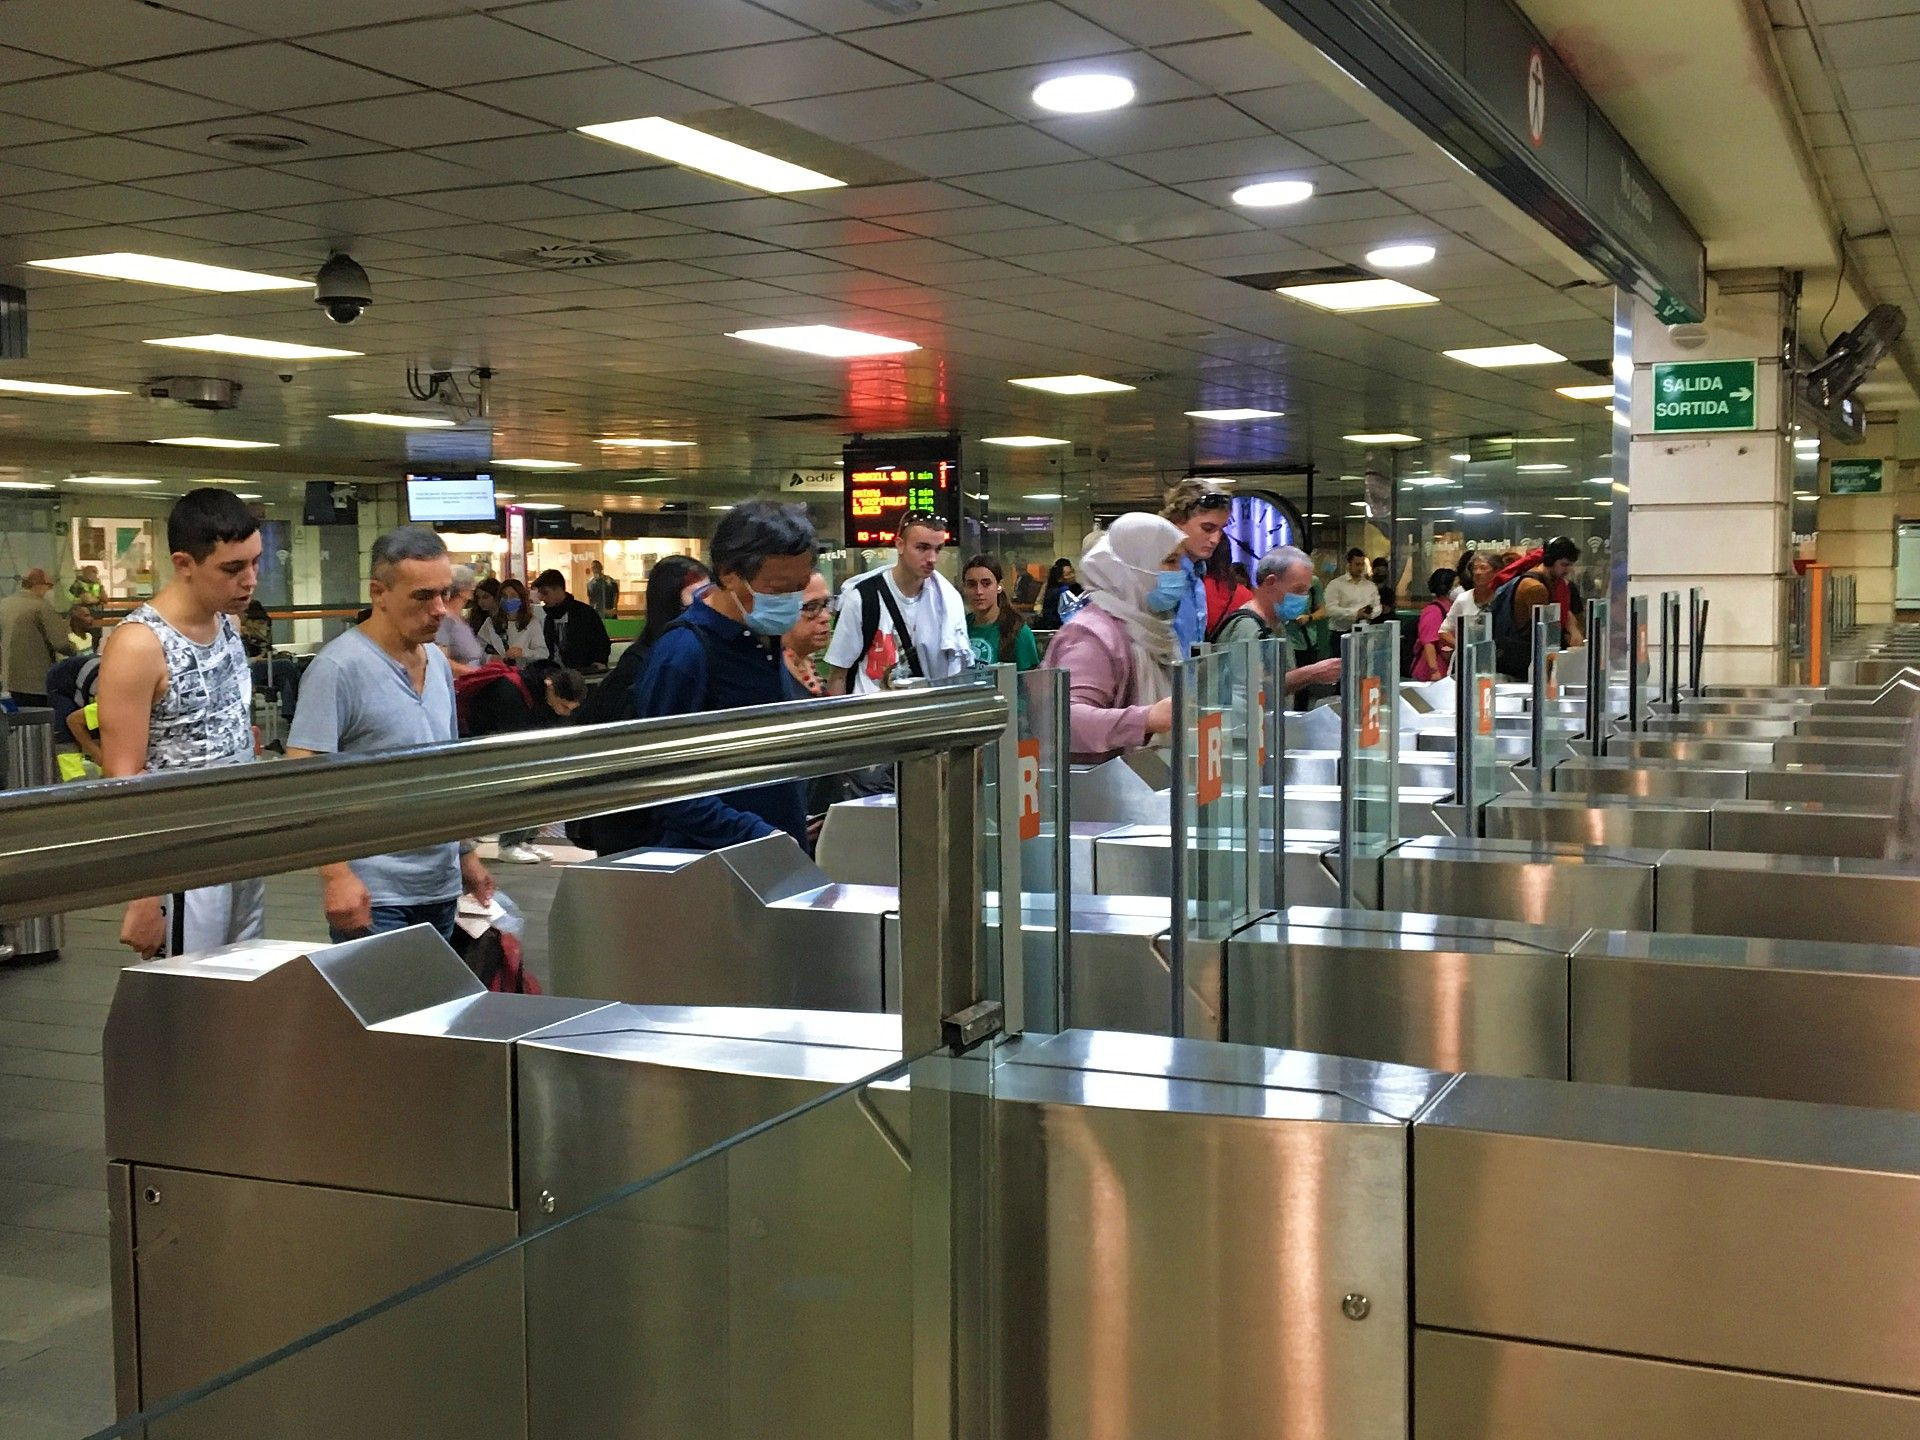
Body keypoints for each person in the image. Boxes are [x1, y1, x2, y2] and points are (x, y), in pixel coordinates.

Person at [286, 527, 494, 942]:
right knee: (386, 1007)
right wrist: (335, 873)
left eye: (443, 593)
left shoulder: (436, 663)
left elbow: (444, 771)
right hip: (376, 894)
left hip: (440, 885)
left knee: (442, 1007)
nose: (439, 609)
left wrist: (465, 852)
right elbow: (302, 780)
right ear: (378, 592)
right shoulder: (339, 669)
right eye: (422, 596)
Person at [95, 489, 263, 959]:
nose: (250, 580)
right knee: (190, 999)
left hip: (240, 838)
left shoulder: (226, 621)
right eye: (232, 569)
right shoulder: (139, 645)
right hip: (184, 850)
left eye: (255, 563)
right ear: (184, 563)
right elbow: (122, 778)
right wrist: (145, 894)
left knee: (242, 988)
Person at [633, 500, 816, 850]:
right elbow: (665, 784)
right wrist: (757, 834)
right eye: (778, 589)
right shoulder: (684, 653)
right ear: (730, 573)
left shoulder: (763, 638)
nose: (791, 600)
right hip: (712, 869)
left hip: (773, 855)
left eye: (800, 586)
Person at [1047, 513, 1186, 764]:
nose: (1179, 573)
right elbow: (1063, 719)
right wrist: (1146, 720)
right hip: (1098, 792)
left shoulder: (1153, 628)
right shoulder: (1093, 635)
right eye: (1170, 561)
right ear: (1131, 567)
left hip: (1144, 784)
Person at [823, 511, 970, 694]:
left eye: (938, 549)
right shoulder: (862, 598)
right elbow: (838, 675)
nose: (932, 558)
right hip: (873, 715)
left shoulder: (947, 602)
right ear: (900, 545)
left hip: (924, 714)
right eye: (922, 548)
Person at [575, 556, 709, 727]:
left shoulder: (704, 651)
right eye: (699, 596)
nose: (708, 604)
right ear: (669, 603)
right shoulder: (640, 665)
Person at [1208, 544, 1343, 693]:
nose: (1304, 598)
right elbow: (1251, 690)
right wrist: (1311, 674)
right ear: (1270, 582)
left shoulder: (1277, 624)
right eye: (1298, 590)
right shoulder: (1248, 627)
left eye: (1306, 591)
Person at [1488, 535, 1583, 681]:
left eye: (1570, 565)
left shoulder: (1551, 582)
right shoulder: (1535, 588)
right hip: (1525, 664)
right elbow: (1546, 633)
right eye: (1564, 565)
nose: (1568, 570)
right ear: (1550, 561)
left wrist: (1573, 629)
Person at [1159, 480, 1231, 655]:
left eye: (1221, 530)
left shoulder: (1197, 573)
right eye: (1207, 528)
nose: (1215, 539)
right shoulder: (1161, 575)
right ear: (1177, 521)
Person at [1, 567, 74, 706]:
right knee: (38, 723)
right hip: (35, 684)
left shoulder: (4, 605)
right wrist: (76, 652)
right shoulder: (41, 607)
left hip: (7, 681)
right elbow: (61, 644)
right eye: (50, 586)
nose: (50, 590)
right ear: (40, 584)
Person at [960, 554, 1040, 670]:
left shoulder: (1018, 631)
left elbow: (1029, 682)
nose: (979, 591)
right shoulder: (960, 627)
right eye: (971, 584)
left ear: (999, 586)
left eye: (986, 584)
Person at [533, 567, 611, 671]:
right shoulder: (545, 617)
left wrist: (598, 662)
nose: (541, 598)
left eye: (545, 593)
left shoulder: (584, 613)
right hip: (556, 674)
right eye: (540, 593)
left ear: (559, 589)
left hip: (584, 673)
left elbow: (601, 641)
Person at [1441, 548, 1497, 660]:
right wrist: (1464, 648)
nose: (1478, 572)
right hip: (1466, 661)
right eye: (1475, 568)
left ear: (1496, 571)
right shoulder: (1463, 598)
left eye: (1483, 568)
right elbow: (1444, 631)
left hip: (1494, 660)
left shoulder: (1501, 597)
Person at [783, 572, 834, 696]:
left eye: (826, 604)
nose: (826, 617)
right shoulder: (771, 673)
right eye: (811, 607)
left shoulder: (804, 661)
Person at [479, 577, 549, 665]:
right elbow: (476, 651)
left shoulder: (531, 623)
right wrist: (490, 658)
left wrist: (523, 652)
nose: (508, 600)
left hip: (522, 674)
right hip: (498, 673)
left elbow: (543, 653)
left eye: (513, 596)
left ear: (522, 598)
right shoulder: (490, 623)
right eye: (504, 596)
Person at [435, 564, 486, 676]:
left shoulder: (459, 619)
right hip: (460, 686)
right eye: (470, 587)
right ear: (462, 590)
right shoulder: (444, 620)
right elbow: (440, 660)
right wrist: (475, 673)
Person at [1411, 567, 1458, 681]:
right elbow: (1428, 642)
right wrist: (1434, 670)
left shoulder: (1452, 608)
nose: (1459, 588)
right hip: (1431, 674)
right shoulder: (1434, 610)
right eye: (1456, 585)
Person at [1325, 548, 1383, 636]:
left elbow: (1378, 607)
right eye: (1357, 564)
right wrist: (1355, 614)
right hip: (1341, 633)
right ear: (1349, 564)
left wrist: (1369, 614)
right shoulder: (1335, 585)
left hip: (1364, 632)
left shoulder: (1370, 586)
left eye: (1362, 564)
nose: (1360, 568)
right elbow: (1331, 609)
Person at [1040, 557, 1084, 627]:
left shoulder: (1077, 588)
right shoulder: (1056, 593)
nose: (1073, 576)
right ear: (1060, 579)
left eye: (1072, 572)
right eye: (1068, 574)